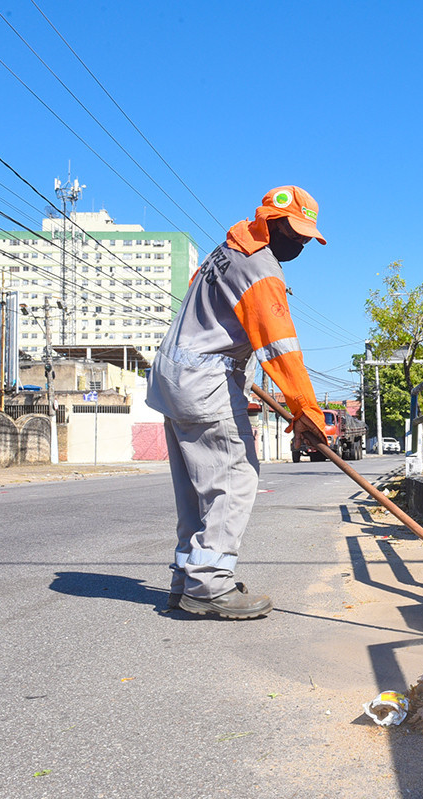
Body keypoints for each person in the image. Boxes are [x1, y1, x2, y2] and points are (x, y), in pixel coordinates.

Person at [146, 185, 328, 619]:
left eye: (307, 235)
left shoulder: (227, 249)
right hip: (206, 383)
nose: (302, 241)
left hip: (174, 376)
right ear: (272, 221)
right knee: (235, 479)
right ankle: (208, 585)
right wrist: (306, 411)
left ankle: (187, 578)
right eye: (297, 231)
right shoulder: (262, 271)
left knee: (195, 488)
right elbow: (280, 348)